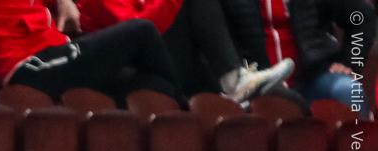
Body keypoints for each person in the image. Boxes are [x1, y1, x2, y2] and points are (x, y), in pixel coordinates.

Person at [0, 0, 187, 103]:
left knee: (154, 86)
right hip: (31, 68)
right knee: (141, 30)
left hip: (58, 54)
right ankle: (188, 117)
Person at [78, 0, 294, 100]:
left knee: (287, 100)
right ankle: (232, 80)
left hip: (176, 64)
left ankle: (234, 78)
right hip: (133, 74)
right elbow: (139, 33)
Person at [219, 0, 372, 106]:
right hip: (259, 86)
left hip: (311, 79)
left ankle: (356, 145)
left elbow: (362, 16)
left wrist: (350, 62)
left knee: (348, 90)